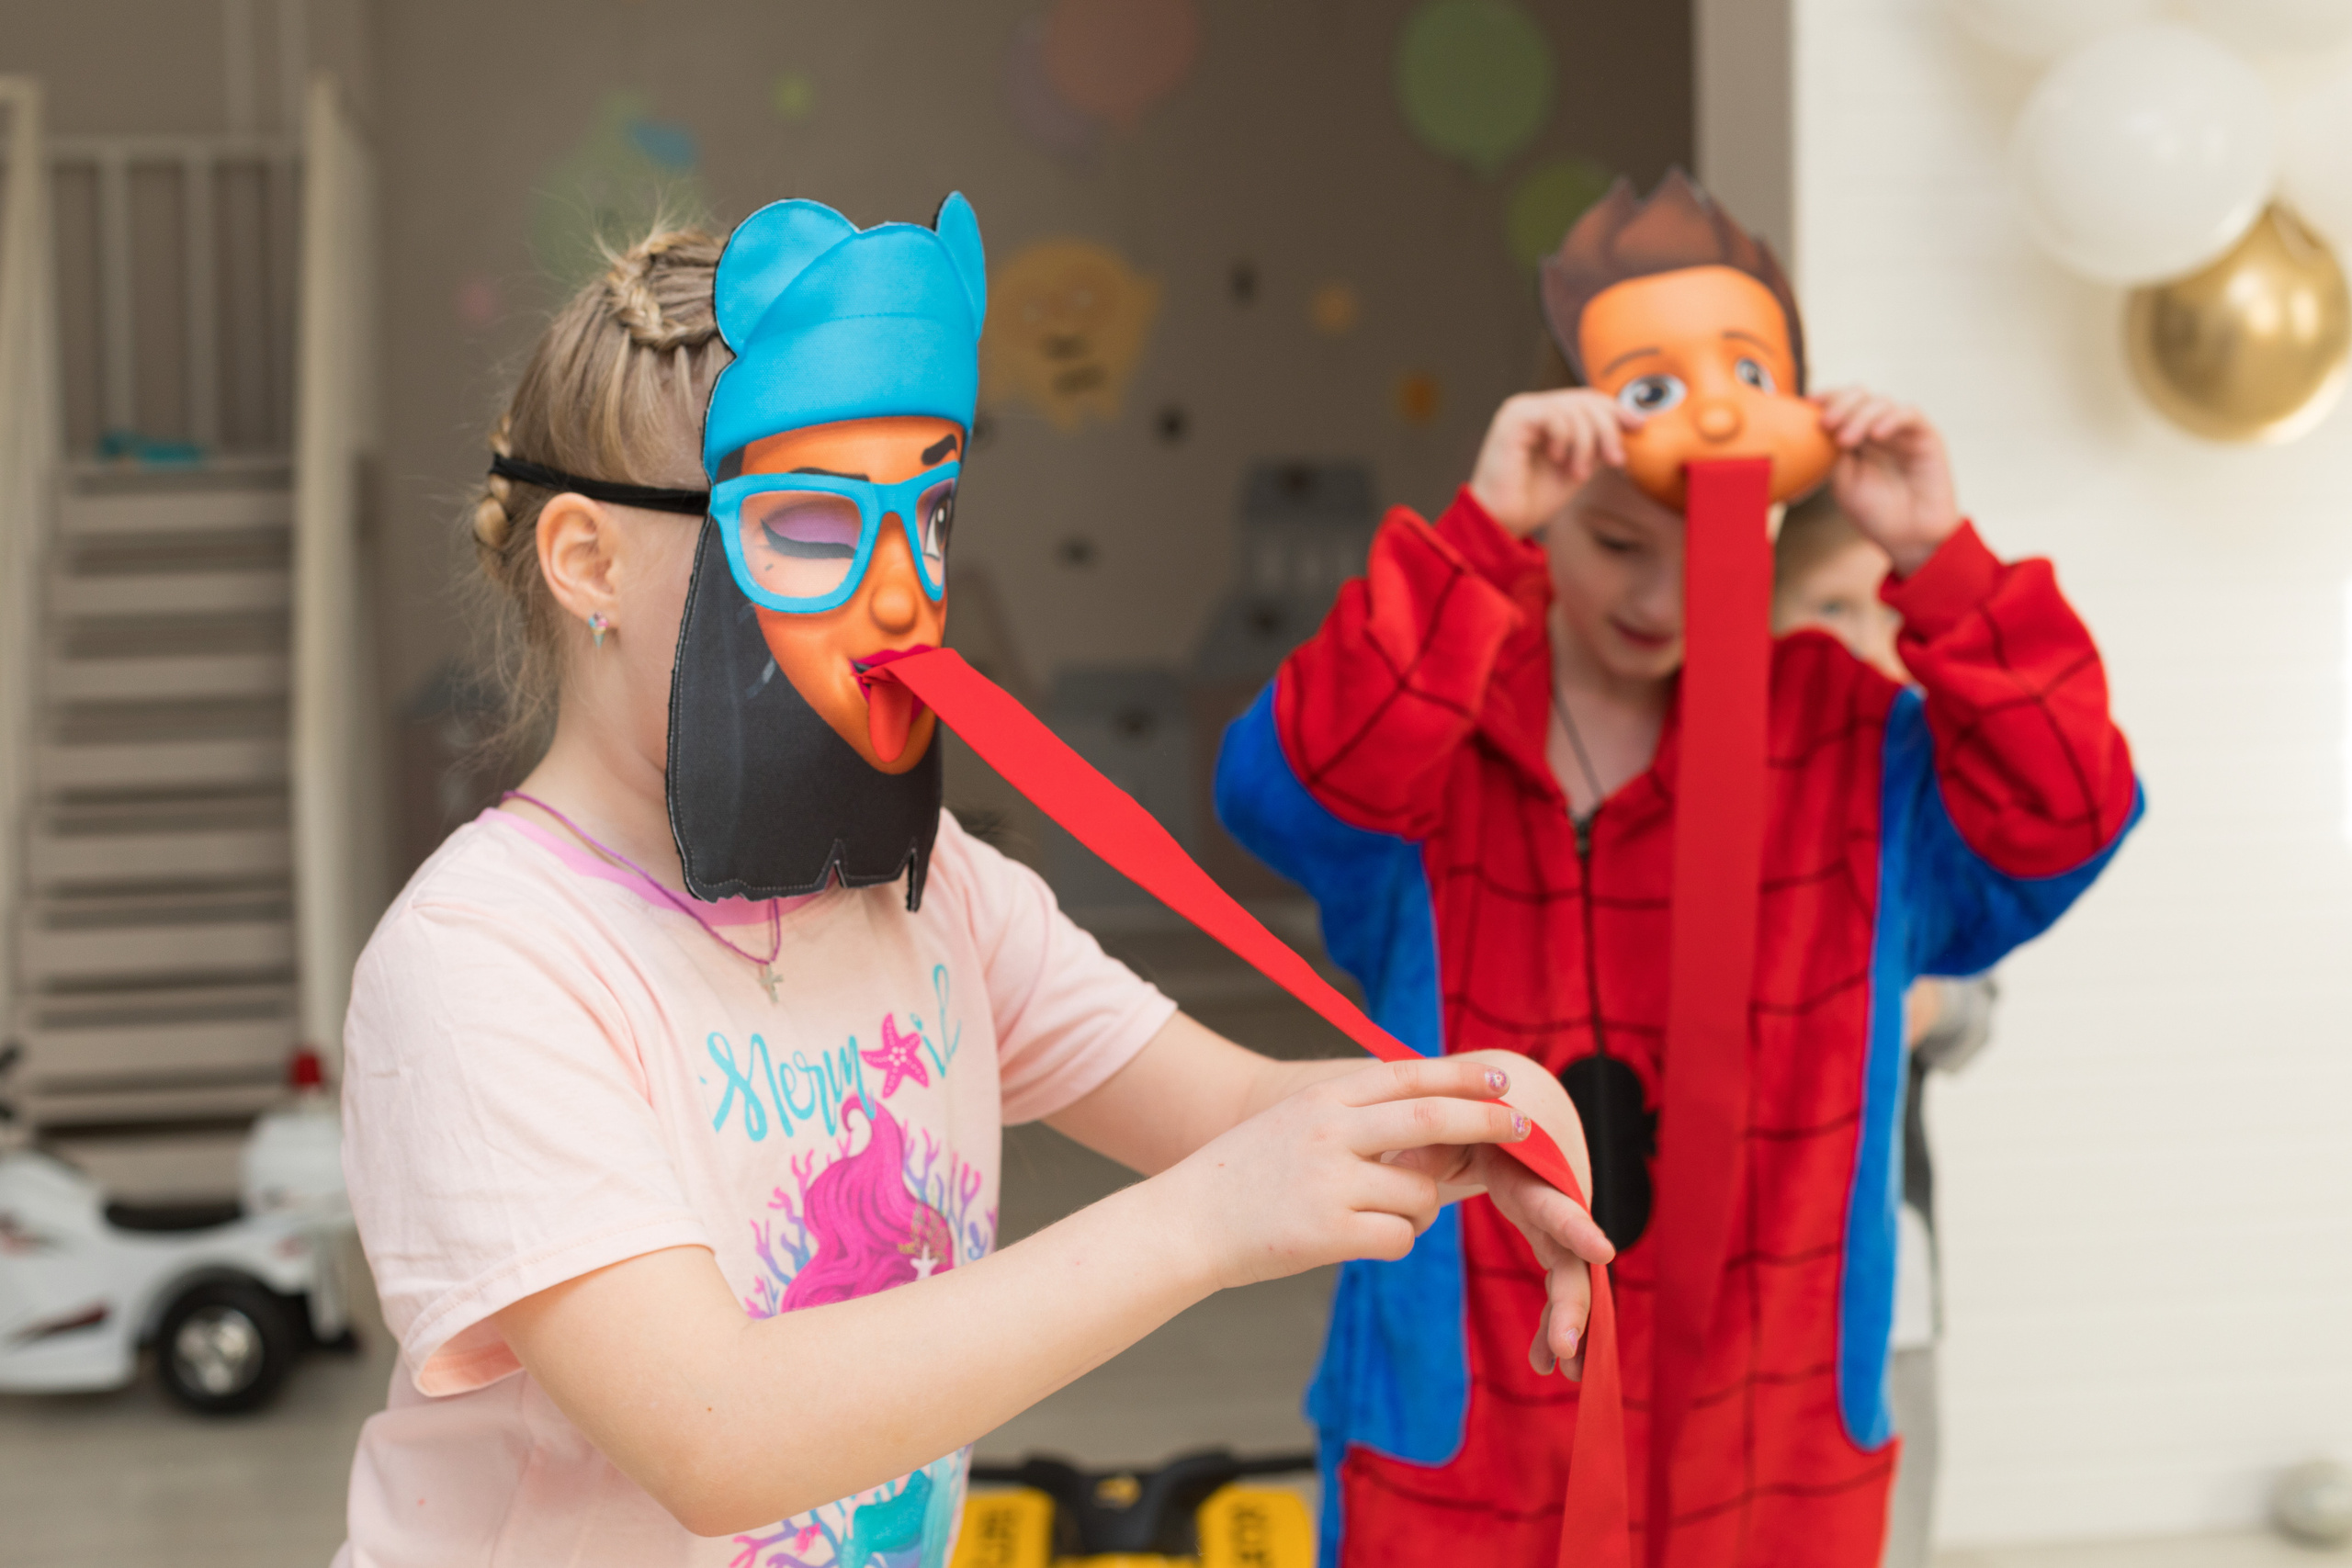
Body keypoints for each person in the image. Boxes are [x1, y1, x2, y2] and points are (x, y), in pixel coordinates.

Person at [332, 201, 1611, 1568]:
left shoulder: (937, 897)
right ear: (588, 561)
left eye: (927, 515)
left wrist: (1473, 1108)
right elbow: (715, 1435)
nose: (904, 596)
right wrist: (1207, 1221)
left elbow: (1236, 1112)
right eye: (813, 524)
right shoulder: (486, 959)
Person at [1215, 173, 2142, 1568]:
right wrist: (1476, 540)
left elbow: (2069, 808)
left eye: (1707, 545)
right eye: (1614, 543)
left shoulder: (1849, 741)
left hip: (1769, 1427)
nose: (1658, 599)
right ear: (1553, 503)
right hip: (1470, 1413)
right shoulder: (1444, 714)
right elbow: (1280, 794)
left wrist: (1939, 560)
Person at [1773, 493, 2001, 1568]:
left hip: (1882, 1236)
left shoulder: (1925, 805)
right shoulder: (1715, 794)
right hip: (1730, 1243)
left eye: (1890, 614)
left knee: (1885, 1517)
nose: (1868, 641)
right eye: (1829, 605)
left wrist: (1930, 1002)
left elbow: (1977, 1014)